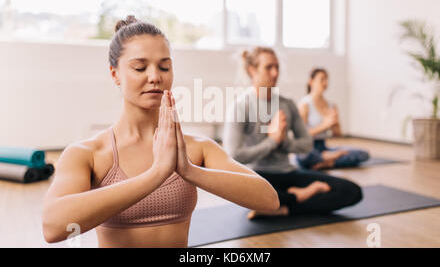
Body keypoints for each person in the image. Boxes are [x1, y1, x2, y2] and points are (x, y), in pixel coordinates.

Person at [41, 16, 279, 248]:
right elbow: (52, 227)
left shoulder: (196, 149)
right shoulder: (87, 154)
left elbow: (269, 200)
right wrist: (156, 174)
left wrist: (188, 170)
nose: (155, 77)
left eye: (164, 66)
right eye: (140, 67)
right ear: (115, 74)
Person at [223, 47, 362, 219]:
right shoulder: (240, 106)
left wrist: (284, 142)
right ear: (252, 70)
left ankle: (286, 206)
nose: (275, 73)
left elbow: (306, 144)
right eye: (268, 67)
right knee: (237, 189)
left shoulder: (287, 104)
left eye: (277, 67)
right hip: (257, 176)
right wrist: (272, 141)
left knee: (352, 191)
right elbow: (233, 155)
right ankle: (297, 197)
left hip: (288, 173)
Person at [296, 68, 370, 170]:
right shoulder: (304, 104)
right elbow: (300, 136)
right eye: (322, 79)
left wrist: (335, 124)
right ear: (311, 82)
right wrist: (324, 125)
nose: (325, 83)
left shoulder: (331, 105)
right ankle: (324, 158)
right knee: (303, 156)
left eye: (327, 79)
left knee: (363, 154)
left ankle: (327, 162)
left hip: (323, 147)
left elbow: (337, 134)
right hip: (309, 148)